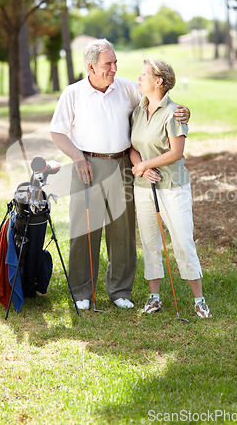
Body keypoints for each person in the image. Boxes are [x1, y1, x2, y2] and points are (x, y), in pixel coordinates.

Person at [50, 39, 190, 310]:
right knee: (84, 229)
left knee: (122, 230)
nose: (114, 68)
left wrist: (184, 112)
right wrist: (77, 157)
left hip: (123, 164)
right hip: (86, 165)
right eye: (108, 64)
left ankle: (120, 290)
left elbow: (158, 104)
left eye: (115, 62)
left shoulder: (126, 88)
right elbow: (57, 131)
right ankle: (81, 291)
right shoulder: (73, 93)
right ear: (91, 66)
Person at [130, 58, 211, 318]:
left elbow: (177, 152)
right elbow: (132, 147)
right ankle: (154, 297)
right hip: (143, 188)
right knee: (150, 242)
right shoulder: (138, 110)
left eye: (144, 74)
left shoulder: (174, 112)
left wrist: (145, 165)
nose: (139, 78)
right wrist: (141, 167)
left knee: (182, 241)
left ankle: (199, 300)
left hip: (173, 187)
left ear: (159, 82)